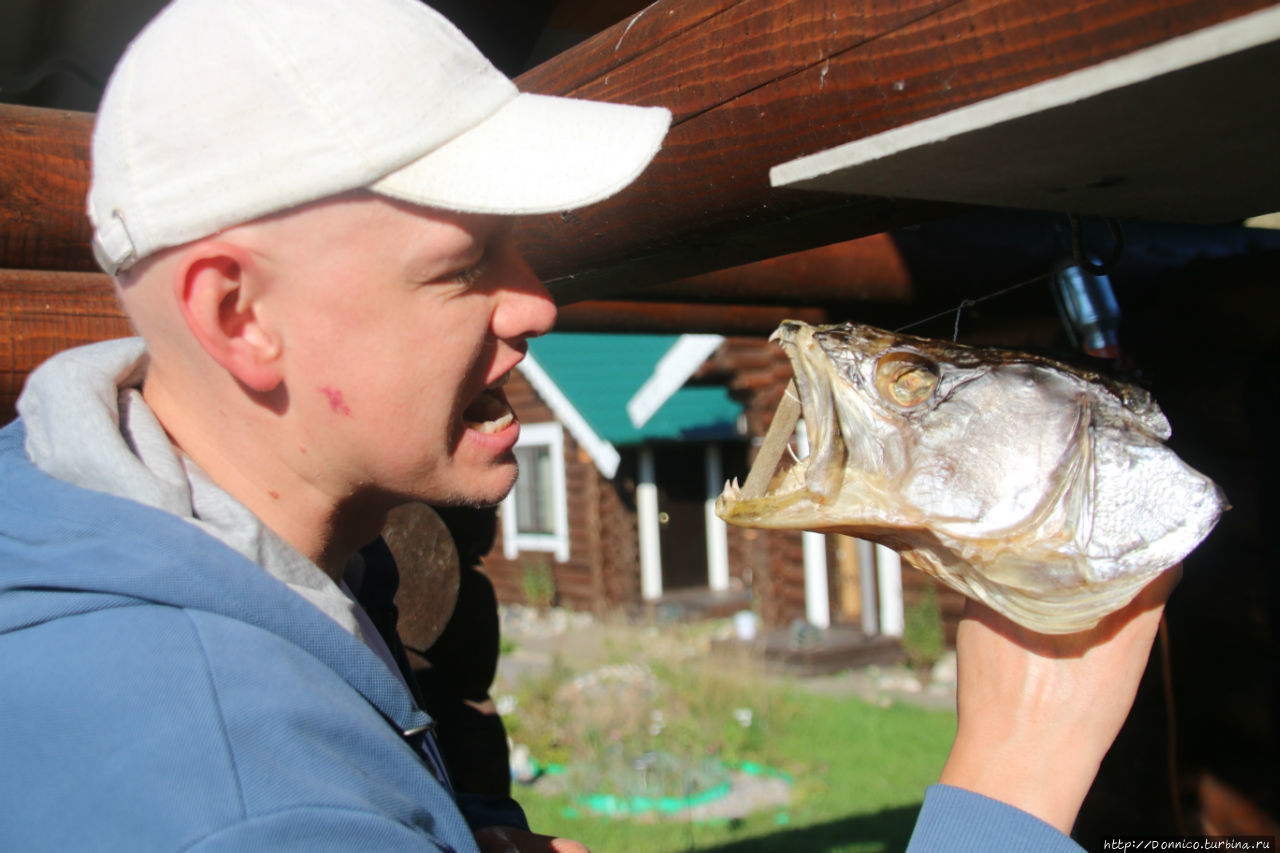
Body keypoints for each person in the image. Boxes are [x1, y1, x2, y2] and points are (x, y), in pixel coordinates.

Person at [0, 0, 1173, 851]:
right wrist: (1008, 789)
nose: (539, 305)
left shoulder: (105, 537)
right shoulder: (244, 801)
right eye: (464, 263)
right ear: (237, 314)